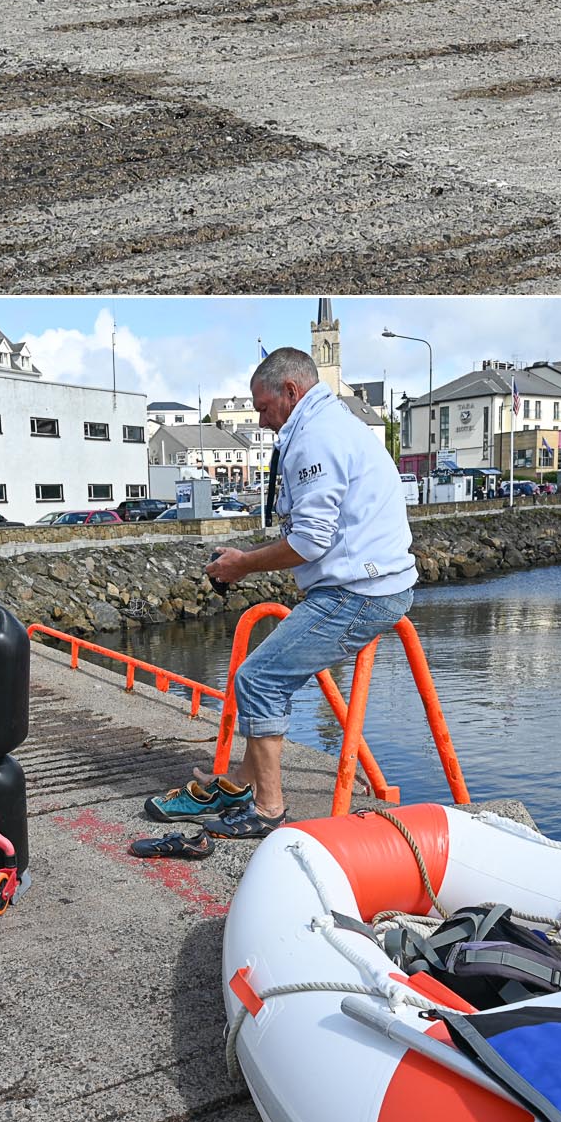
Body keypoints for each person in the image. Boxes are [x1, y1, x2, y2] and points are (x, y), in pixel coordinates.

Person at [188, 348, 417, 839]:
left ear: (291, 392)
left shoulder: (316, 436)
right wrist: (246, 559)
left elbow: (312, 539)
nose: (262, 420)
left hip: (359, 592)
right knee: (264, 678)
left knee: (260, 679)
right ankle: (243, 782)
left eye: (264, 408)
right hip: (366, 583)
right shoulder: (330, 425)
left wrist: (242, 565)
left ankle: (268, 809)